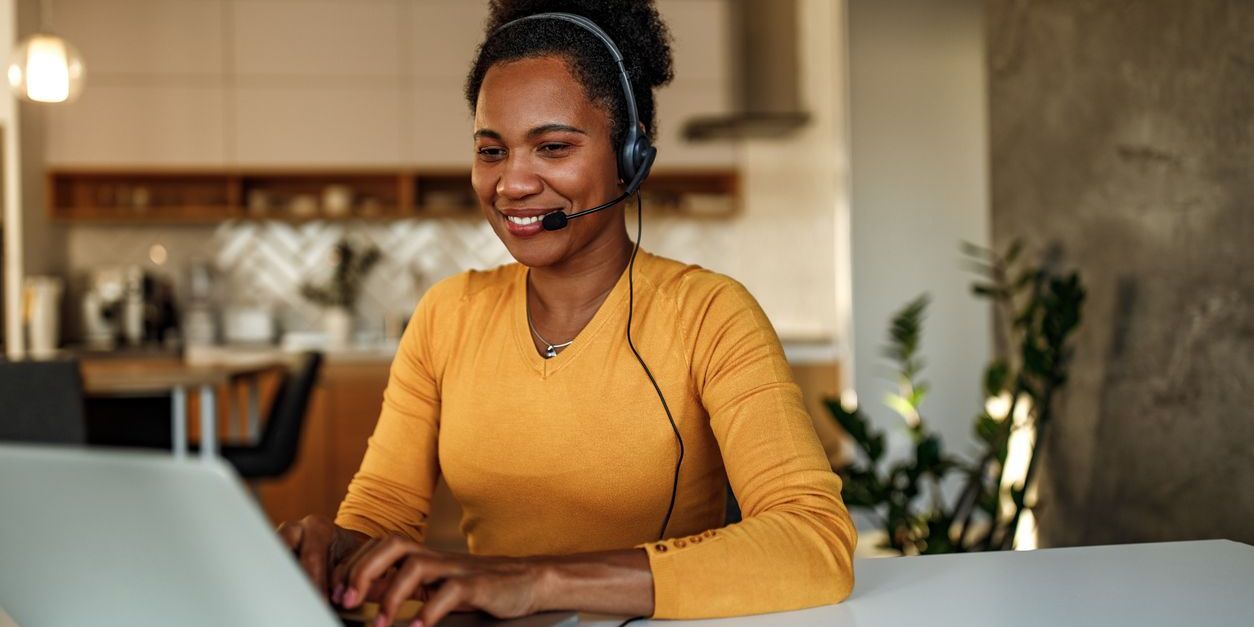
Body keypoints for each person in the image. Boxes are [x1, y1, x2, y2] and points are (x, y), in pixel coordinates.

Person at [277, 1, 856, 625]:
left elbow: (813, 541)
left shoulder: (709, 314)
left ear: (630, 157)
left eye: (552, 147)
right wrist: (337, 552)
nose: (511, 184)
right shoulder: (448, 315)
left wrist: (536, 581)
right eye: (491, 151)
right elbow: (383, 514)